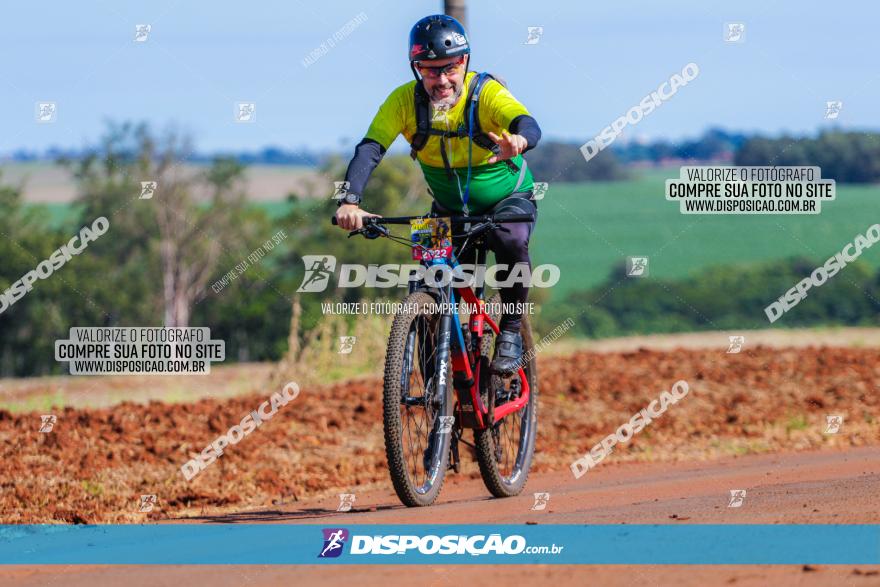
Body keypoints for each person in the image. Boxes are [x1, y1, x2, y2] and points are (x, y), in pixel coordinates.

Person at [334, 14, 542, 374]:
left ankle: (510, 330)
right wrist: (350, 201)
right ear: (417, 69)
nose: (441, 80)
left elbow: (526, 123)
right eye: (430, 71)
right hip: (447, 207)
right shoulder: (402, 102)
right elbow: (369, 149)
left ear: (464, 62)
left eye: (449, 68)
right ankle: (437, 368)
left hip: (507, 200)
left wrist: (520, 140)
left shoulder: (486, 94)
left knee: (511, 241)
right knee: (431, 272)